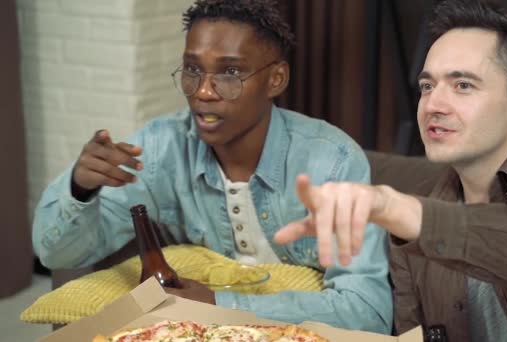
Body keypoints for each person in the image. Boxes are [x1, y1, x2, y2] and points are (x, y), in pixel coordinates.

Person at [32, 0, 392, 334]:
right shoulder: (162, 147)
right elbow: (57, 254)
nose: (203, 91)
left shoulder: (332, 161)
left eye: (230, 72)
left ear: (275, 79)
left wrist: (220, 304)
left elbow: (368, 311)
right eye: (192, 70)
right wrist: (80, 189)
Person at [275, 0, 507, 340]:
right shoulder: (420, 210)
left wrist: (400, 210)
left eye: (463, 85)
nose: (433, 105)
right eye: (427, 86)